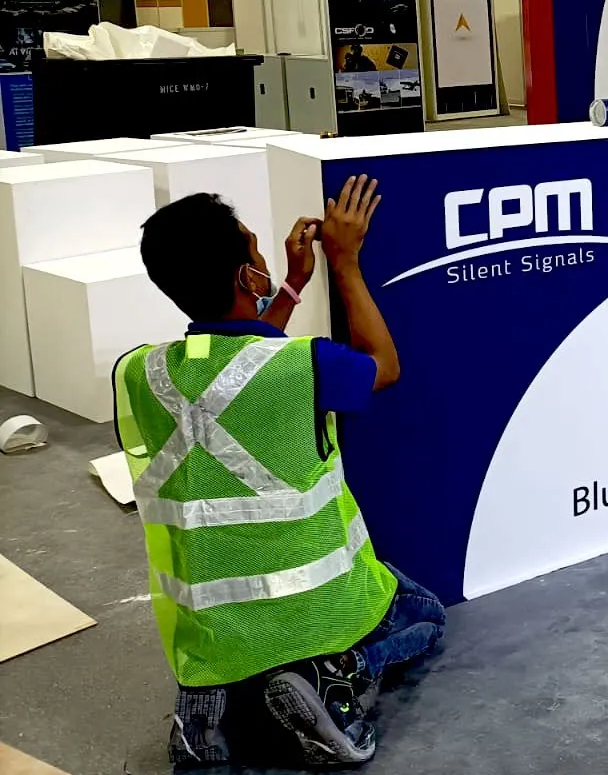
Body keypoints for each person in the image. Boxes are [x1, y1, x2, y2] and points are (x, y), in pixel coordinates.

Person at [115, 176, 444, 769]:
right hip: (320, 610)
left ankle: (206, 710)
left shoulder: (143, 372)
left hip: (212, 631)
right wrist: (344, 261)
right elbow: (383, 365)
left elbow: (239, 363)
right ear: (247, 277)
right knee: (425, 615)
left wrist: (291, 284)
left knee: (223, 660)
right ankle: (338, 675)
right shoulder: (308, 365)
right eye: (254, 248)